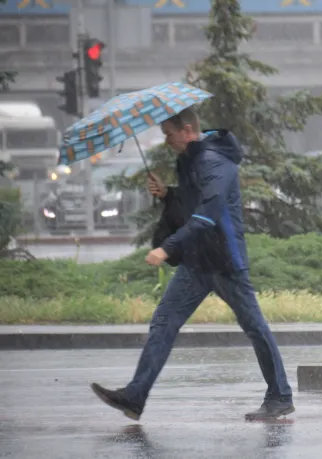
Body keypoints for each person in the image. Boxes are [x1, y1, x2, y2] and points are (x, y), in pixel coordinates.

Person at [90, 107, 294, 421]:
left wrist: (166, 248)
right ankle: (135, 396)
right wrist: (168, 194)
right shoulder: (192, 160)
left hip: (224, 261)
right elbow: (191, 204)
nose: (166, 141)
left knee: (254, 327)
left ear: (186, 131)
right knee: (163, 323)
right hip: (197, 262)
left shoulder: (215, 162)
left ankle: (280, 396)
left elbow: (207, 213)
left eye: (169, 134)